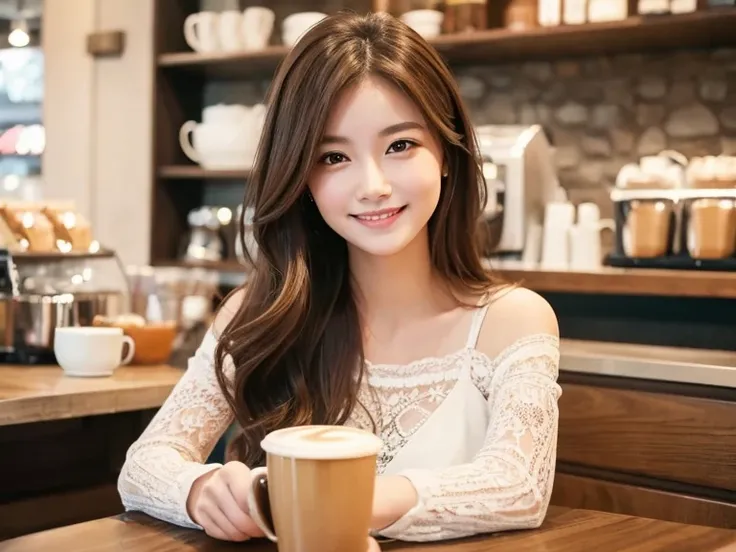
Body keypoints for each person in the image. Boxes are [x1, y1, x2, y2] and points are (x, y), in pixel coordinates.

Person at [118, 10, 561, 545]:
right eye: (333, 157)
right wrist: (202, 488)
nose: (372, 185)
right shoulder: (257, 315)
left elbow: (519, 486)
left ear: (447, 153)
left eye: (400, 145)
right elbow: (143, 466)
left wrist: (331, 503)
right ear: (301, 178)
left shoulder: (512, 320)